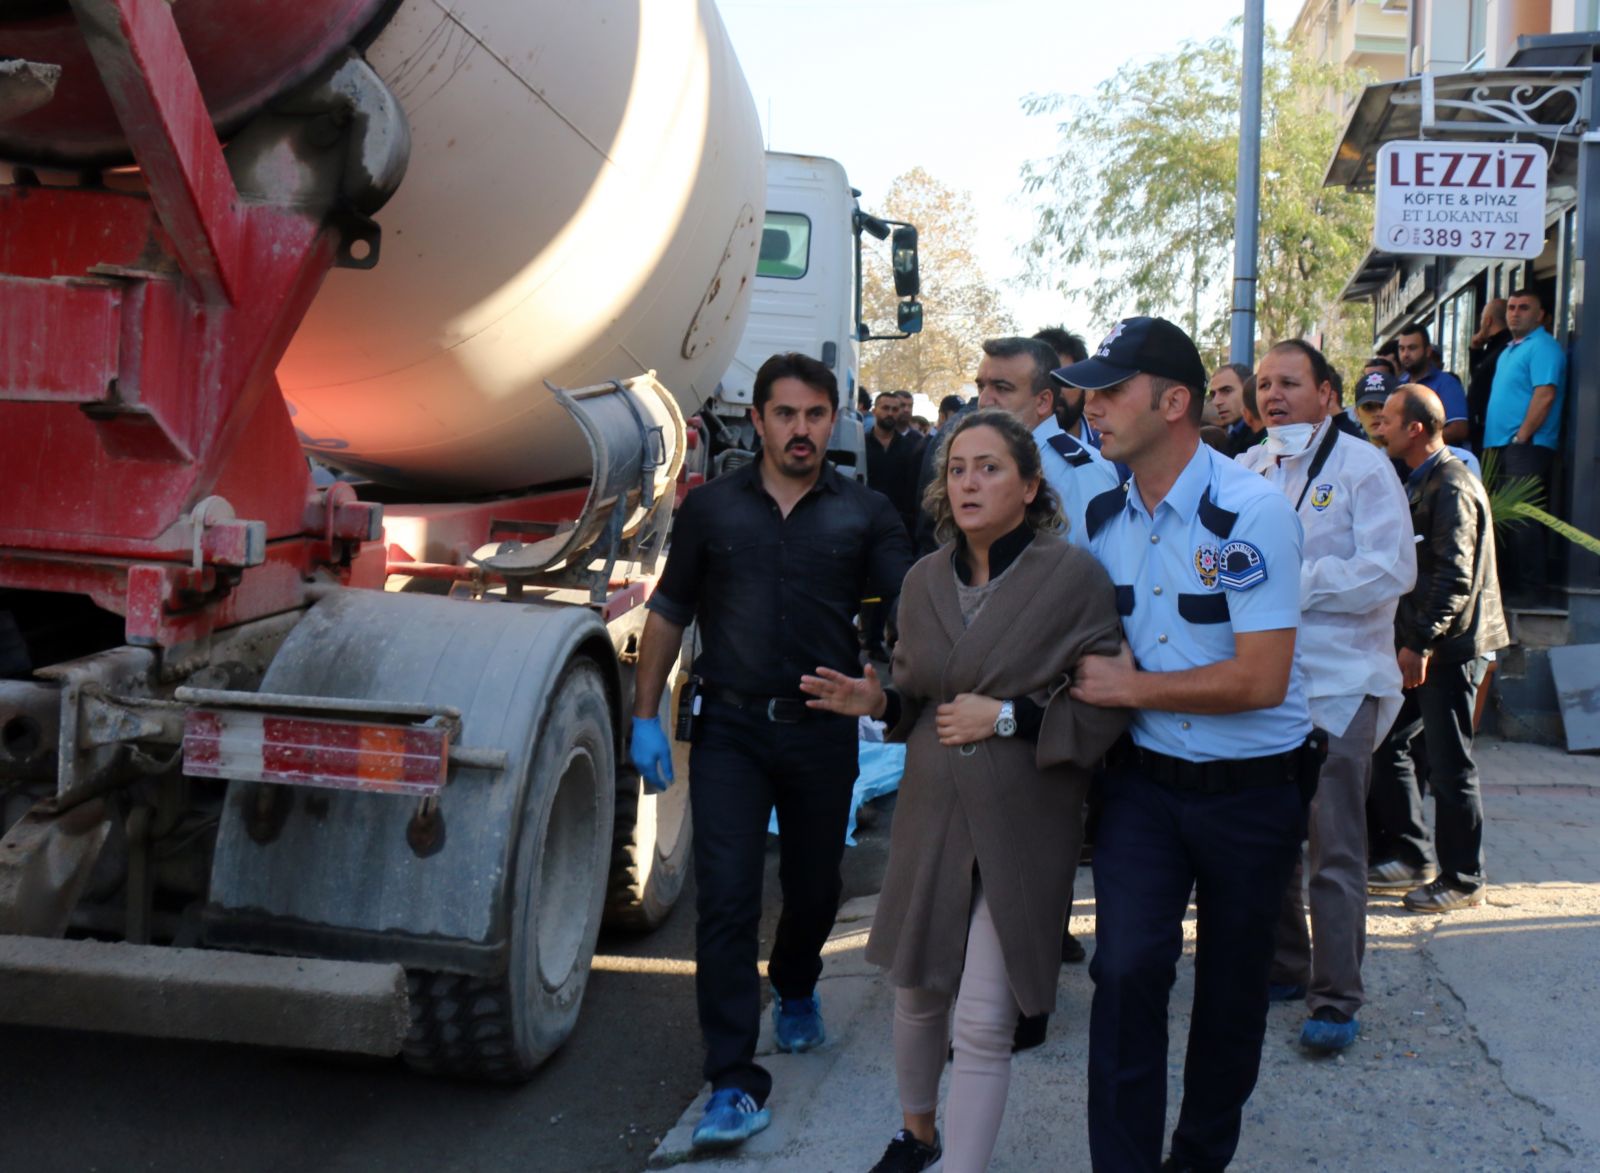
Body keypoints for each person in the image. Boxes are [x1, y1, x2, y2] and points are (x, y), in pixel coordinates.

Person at [800, 408, 1129, 1173]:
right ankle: (917, 1133)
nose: (969, 481)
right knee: (918, 990)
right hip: (933, 808)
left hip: (1025, 816)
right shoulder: (921, 581)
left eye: (989, 467)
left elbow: (1106, 700)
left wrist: (1009, 715)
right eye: (957, 469)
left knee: (983, 1018)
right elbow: (916, 695)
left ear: (1030, 484)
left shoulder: (1073, 577)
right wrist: (876, 703)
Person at [629, 352, 913, 1150]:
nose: (800, 429)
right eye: (784, 414)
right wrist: (644, 714)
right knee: (723, 898)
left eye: (815, 415)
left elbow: (909, 607)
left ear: (834, 421)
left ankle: (795, 983)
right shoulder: (713, 509)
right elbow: (669, 609)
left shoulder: (865, 513)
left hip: (823, 730)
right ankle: (731, 1080)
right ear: (757, 420)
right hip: (731, 729)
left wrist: (897, 684)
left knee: (815, 886)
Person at [1059, 316, 1317, 1173]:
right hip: (1143, 788)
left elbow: (1261, 679)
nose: (1091, 407)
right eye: (1089, 391)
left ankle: (1197, 1159)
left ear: (1175, 403)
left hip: (1254, 792)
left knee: (1231, 996)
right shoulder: (1098, 511)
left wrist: (1132, 686)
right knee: (1126, 971)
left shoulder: (1252, 513)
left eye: (1110, 390)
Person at [1242, 340, 1415, 1054]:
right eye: (1263, 384)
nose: (1272, 395)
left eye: (1289, 382)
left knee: (1334, 848)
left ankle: (1337, 996)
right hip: (1262, 685)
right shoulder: (1246, 469)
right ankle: (1286, 965)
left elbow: (1390, 568)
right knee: (1269, 839)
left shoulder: (1362, 466)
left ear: (1329, 395)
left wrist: (1294, 581)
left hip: (1342, 685)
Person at [1370, 385, 1510, 912]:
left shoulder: (1450, 485)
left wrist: (1420, 643)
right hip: (1423, 644)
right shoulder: (1423, 480)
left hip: (1450, 649)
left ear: (1416, 429)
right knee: (1389, 741)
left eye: (1387, 420)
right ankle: (1410, 854)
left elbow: (1452, 578)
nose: (1377, 428)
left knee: (1451, 766)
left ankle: (1463, 879)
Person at [975, 336, 1120, 549]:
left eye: (1002, 388)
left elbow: (1094, 569)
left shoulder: (1081, 472)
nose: (984, 400)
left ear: (1042, 402)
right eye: (981, 386)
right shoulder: (975, 461)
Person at [1483, 288, 1567, 606]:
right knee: (1502, 519)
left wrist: (1523, 436)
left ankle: (1533, 589)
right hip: (1498, 445)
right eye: (1512, 308)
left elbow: (1544, 394)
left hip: (1526, 446)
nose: (1515, 313)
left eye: (1524, 308)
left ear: (1541, 315)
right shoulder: (1508, 350)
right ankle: (1510, 585)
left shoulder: (1544, 347)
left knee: (1522, 518)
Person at [864, 391, 926, 661]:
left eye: (894, 408)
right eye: (885, 408)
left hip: (897, 525)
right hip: (863, 524)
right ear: (875, 410)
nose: (890, 413)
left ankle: (888, 638)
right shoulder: (862, 444)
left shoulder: (909, 449)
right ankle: (869, 637)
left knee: (890, 583)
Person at [1396, 324, 1470, 446]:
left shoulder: (1446, 383)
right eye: (1402, 349)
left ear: (1428, 351)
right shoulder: (1398, 387)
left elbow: (1459, 429)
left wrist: (1419, 442)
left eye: (1412, 348)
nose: (1405, 354)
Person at [1033, 325, 1100, 447]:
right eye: (1044, 379)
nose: (1054, 391)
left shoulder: (1116, 456)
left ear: (1084, 386)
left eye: (1063, 379)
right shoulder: (1002, 454)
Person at [1467, 298, 1511, 452]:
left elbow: (1483, 382)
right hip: (1487, 431)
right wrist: (1475, 350)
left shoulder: (1505, 347)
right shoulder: (1493, 347)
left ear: (1487, 321)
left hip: (1493, 431)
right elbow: (1478, 376)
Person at [1210, 362, 1264, 458]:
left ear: (1248, 389)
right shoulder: (1233, 438)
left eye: (1226, 390)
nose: (1216, 402)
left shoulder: (1264, 438)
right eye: (1213, 394)